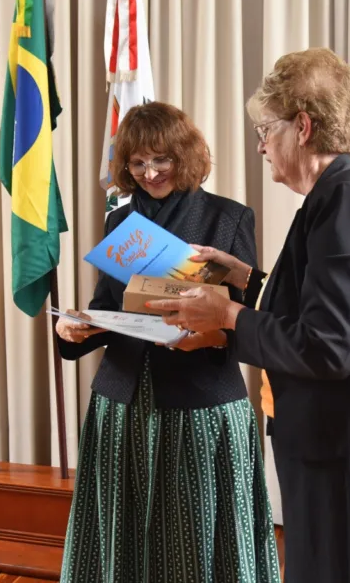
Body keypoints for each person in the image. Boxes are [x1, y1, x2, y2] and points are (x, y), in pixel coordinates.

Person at [148, 48, 350, 582]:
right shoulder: (333, 197)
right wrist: (245, 279)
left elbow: (330, 347)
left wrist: (227, 315)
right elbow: (319, 304)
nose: (261, 145)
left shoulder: (349, 205)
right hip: (336, 431)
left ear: (302, 127)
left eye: (266, 129)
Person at [53, 101, 281, 583]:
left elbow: (248, 319)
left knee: (193, 541)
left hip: (200, 403)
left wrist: (208, 335)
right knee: (121, 536)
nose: (150, 172)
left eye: (162, 159)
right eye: (138, 162)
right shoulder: (120, 223)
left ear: (185, 155)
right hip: (122, 403)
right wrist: (75, 328)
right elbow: (107, 306)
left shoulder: (228, 218)